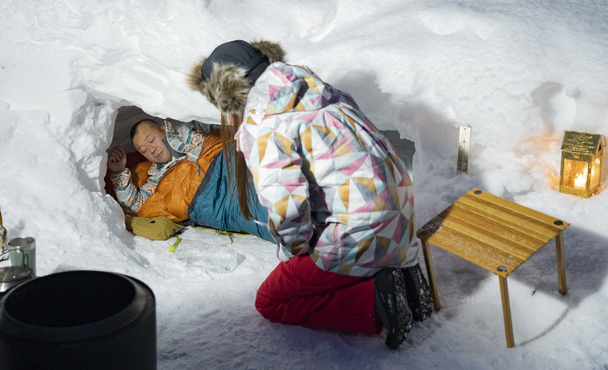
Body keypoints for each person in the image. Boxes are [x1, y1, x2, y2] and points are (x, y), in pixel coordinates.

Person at [186, 40, 432, 349]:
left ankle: (375, 301)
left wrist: (298, 249)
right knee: (322, 259)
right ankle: (408, 282)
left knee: (271, 300)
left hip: (362, 232)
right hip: (401, 218)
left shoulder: (265, 124)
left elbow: (286, 204)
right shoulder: (321, 93)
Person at [107, 118, 274, 243]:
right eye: (143, 150)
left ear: (164, 129)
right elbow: (135, 206)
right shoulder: (156, 180)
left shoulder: (191, 130)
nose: (151, 149)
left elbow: (222, 120)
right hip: (214, 202)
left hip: (231, 163)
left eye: (151, 140)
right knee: (274, 218)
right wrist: (119, 171)